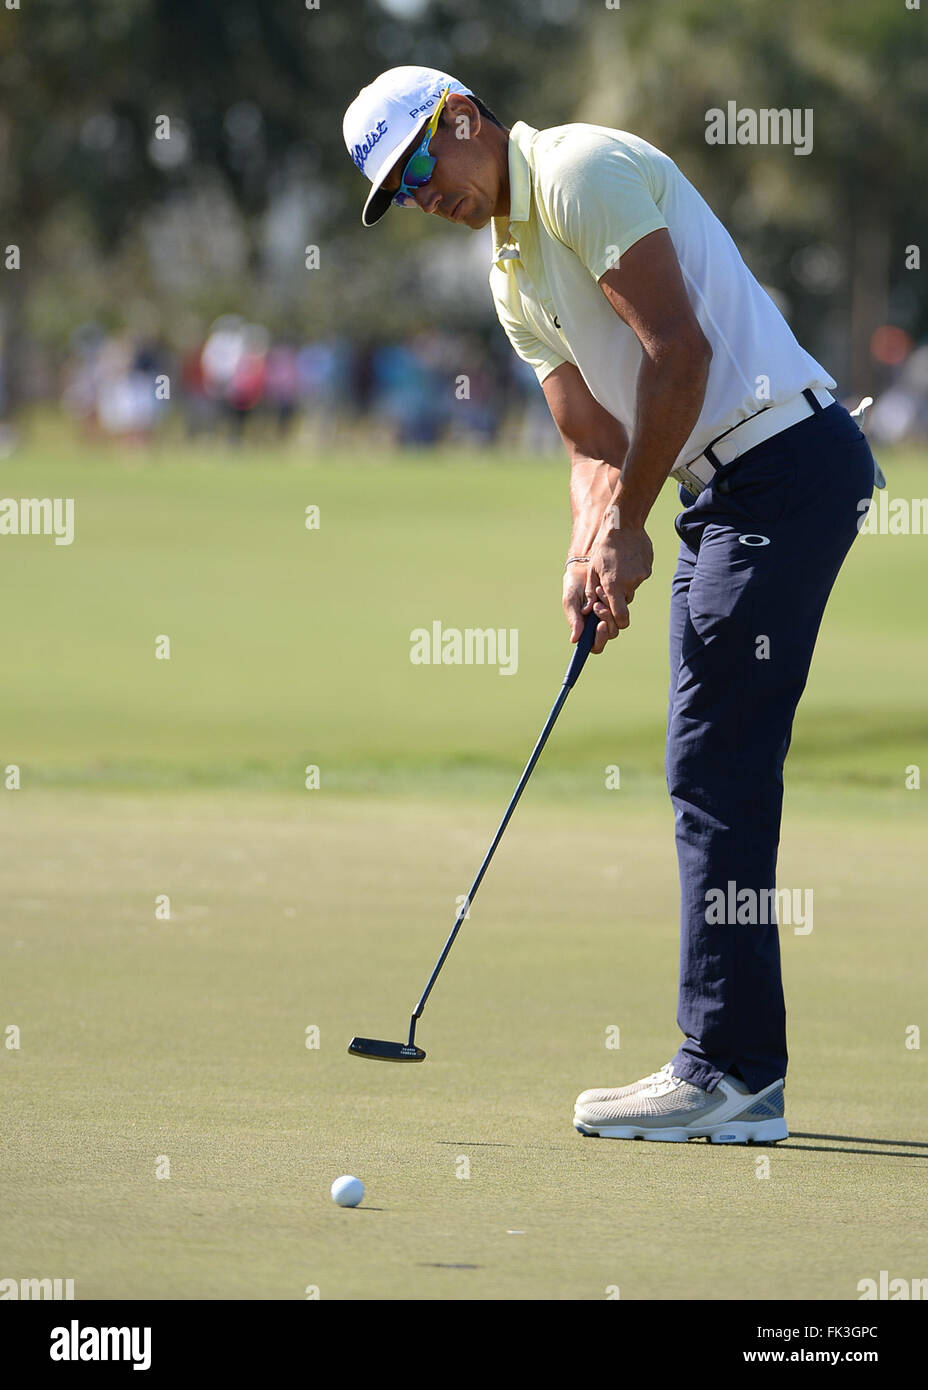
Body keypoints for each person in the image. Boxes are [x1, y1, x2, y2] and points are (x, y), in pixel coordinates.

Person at [342, 66, 879, 1143]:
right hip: (728, 486)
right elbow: (591, 439)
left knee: (715, 760)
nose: (417, 195)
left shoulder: (578, 171)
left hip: (781, 465)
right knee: (710, 760)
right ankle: (734, 1065)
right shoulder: (507, 271)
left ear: (463, 119)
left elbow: (676, 356)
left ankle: (726, 1070)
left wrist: (632, 526)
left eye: (417, 166)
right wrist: (591, 543)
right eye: (395, 192)